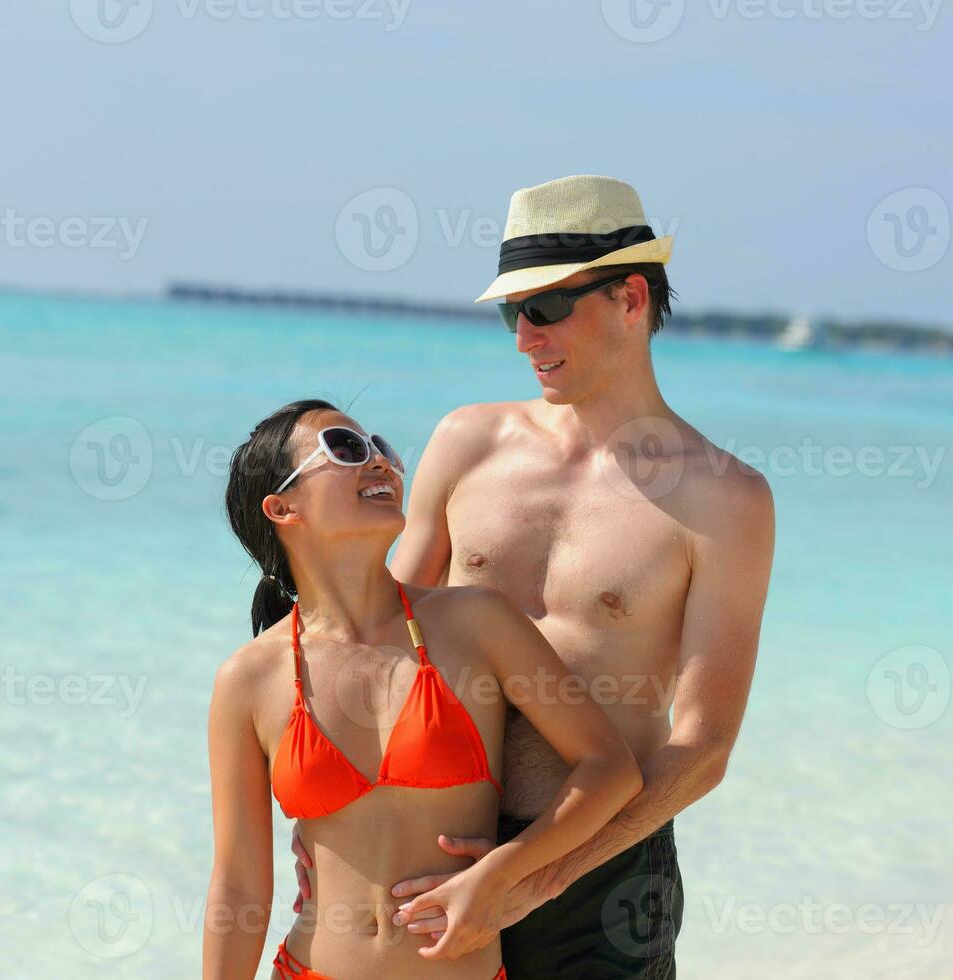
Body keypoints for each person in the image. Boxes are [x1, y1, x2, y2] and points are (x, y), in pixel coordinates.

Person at [290, 176, 776, 978]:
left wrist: (529, 881)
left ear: (629, 296)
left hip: (602, 879)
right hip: (432, 846)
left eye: (544, 308)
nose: (524, 336)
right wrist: (322, 827)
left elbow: (702, 747)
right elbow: (375, 645)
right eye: (513, 312)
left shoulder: (725, 500)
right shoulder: (468, 442)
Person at [203, 399, 644, 980]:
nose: (381, 464)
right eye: (345, 448)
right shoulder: (249, 679)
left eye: (382, 449)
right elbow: (239, 886)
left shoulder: (477, 623)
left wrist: (505, 872)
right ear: (282, 507)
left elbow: (611, 769)